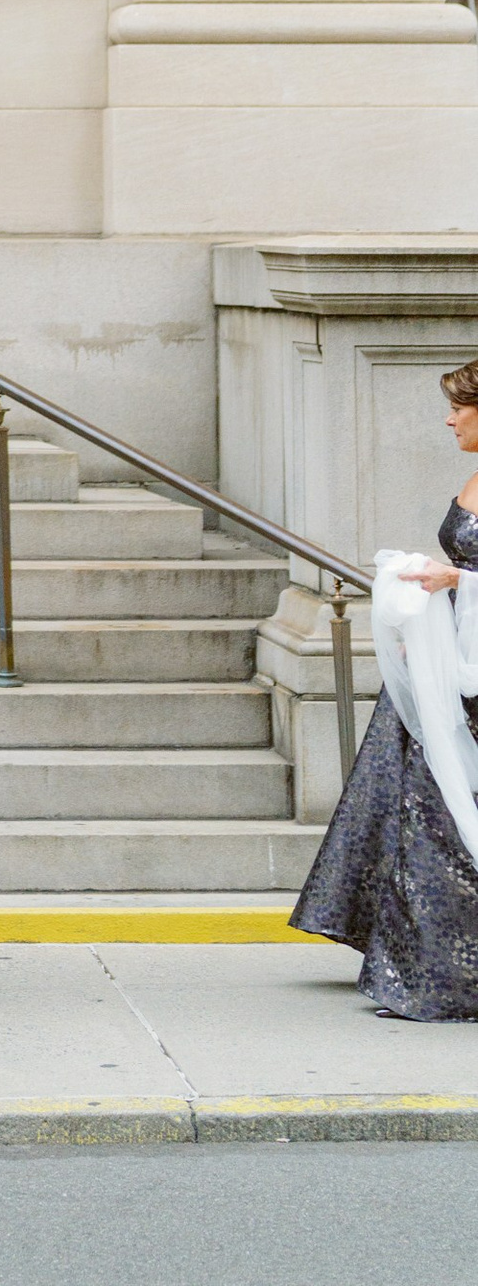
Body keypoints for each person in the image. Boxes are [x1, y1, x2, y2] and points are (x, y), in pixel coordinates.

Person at [292, 355, 478, 1017]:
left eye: (460, 406)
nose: (450, 417)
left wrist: (457, 583)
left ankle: (443, 974)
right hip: (446, 665)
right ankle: (409, 959)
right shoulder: (473, 474)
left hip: (471, 680)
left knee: (442, 814)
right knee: (408, 799)